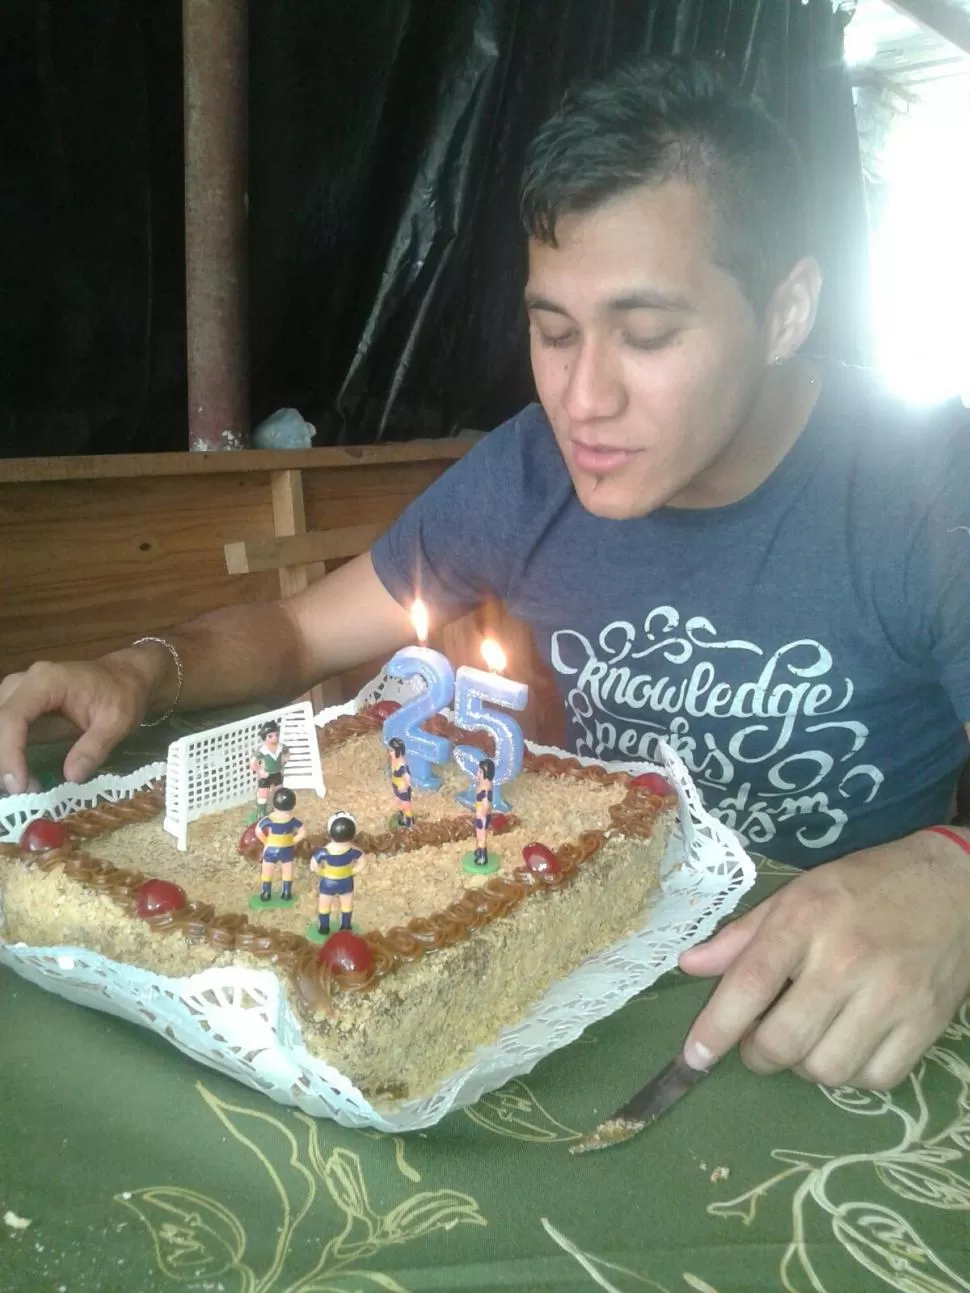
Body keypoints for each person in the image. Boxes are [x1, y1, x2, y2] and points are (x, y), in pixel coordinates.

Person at [1, 57, 968, 1093]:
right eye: (551, 331)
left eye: (646, 335)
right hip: (551, 970)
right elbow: (297, 634)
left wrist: (953, 875)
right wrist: (142, 667)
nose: (581, 397)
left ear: (784, 312)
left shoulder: (927, 486)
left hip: (828, 1008)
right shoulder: (526, 471)